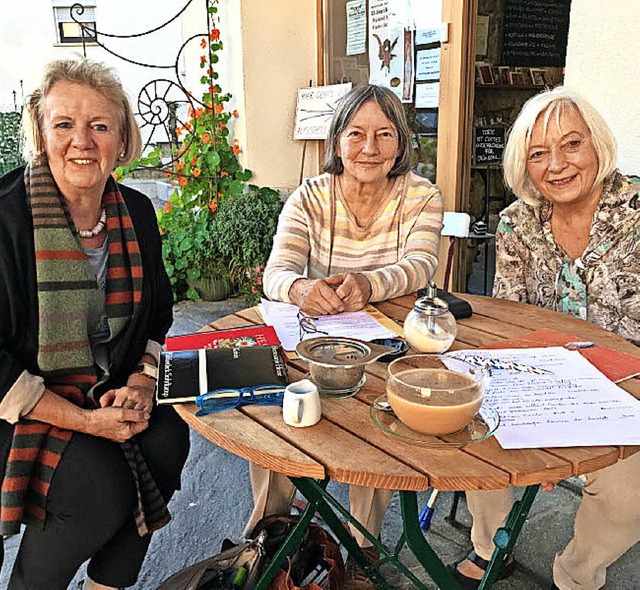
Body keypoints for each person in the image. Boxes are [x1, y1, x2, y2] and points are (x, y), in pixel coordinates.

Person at [0, 57, 190, 589]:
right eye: (65, 124)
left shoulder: (136, 210)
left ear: (122, 138)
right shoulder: (6, 220)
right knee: (97, 487)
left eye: (99, 126)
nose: (82, 141)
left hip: (107, 392)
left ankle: (106, 586)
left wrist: (141, 379)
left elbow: (158, 314)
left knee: (168, 438)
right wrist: (85, 422)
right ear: (41, 133)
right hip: (16, 407)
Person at [452, 86, 640, 590]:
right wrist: (539, 427)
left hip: (631, 392)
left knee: (629, 492)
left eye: (572, 144)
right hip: (542, 381)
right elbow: (512, 324)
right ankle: (491, 547)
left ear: (598, 145)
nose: (556, 165)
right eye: (538, 153)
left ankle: (577, 572)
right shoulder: (516, 223)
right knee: (475, 430)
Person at [257, 84, 443, 588]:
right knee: (279, 410)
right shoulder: (309, 197)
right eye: (356, 134)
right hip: (316, 342)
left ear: (401, 144)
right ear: (336, 142)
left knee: (385, 418)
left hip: (386, 343)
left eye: (384, 134)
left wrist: (369, 284)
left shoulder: (421, 195)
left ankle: (364, 548)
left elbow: (423, 263)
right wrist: (299, 288)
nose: (370, 148)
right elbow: (276, 273)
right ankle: (268, 534)